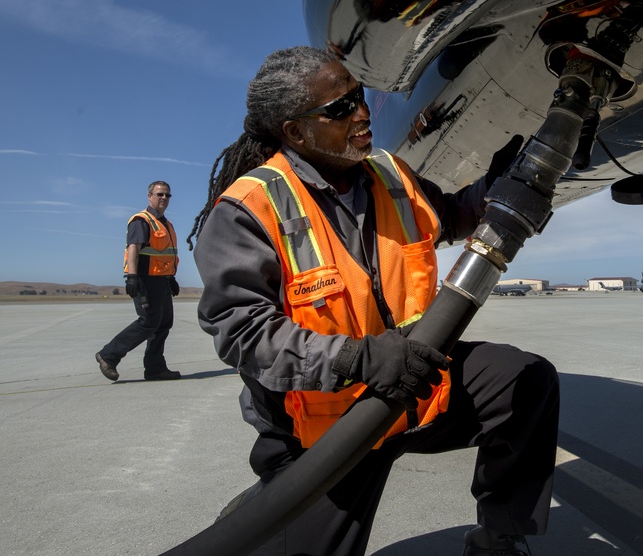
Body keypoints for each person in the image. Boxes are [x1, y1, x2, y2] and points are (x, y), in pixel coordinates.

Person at [186, 46, 559, 556]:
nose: (362, 114)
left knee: (525, 380)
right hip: (326, 431)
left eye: (359, 97)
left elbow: (448, 215)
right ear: (295, 132)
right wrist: (354, 359)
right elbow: (243, 332)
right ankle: (267, 507)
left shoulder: (388, 172)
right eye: (340, 109)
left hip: (419, 391)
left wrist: (500, 187)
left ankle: (499, 540)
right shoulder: (248, 208)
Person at [96, 181, 182, 382]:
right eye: (160, 194)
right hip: (145, 280)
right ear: (150, 196)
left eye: (167, 195)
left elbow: (163, 255)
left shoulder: (165, 224)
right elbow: (134, 248)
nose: (164, 198)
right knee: (148, 322)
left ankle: (155, 368)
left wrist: (170, 279)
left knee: (163, 324)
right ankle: (108, 355)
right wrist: (132, 277)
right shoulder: (142, 221)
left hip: (161, 281)